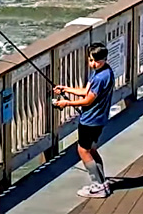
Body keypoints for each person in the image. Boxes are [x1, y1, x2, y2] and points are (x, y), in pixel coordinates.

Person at [53, 43, 114, 199]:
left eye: (97, 61)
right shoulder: (103, 71)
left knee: (83, 150)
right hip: (99, 119)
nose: (93, 64)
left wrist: (66, 103)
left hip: (90, 120)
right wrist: (66, 89)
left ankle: (98, 185)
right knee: (92, 150)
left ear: (105, 59)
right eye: (91, 60)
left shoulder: (101, 78)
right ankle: (102, 181)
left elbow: (87, 101)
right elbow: (85, 91)